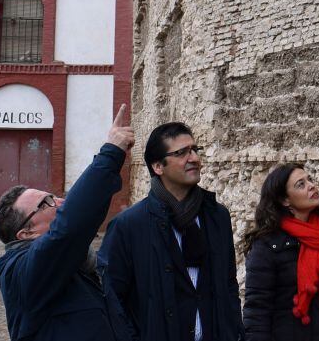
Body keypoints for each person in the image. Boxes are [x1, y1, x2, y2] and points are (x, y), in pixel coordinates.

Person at [0, 104, 135, 341]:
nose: (60, 201)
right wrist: (110, 153)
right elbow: (69, 228)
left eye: (53, 195)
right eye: (46, 202)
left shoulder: (80, 263)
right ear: (25, 233)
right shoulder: (21, 272)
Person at [98, 122, 243, 341]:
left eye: (195, 150)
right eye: (181, 153)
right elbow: (113, 301)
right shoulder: (128, 225)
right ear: (158, 166)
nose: (193, 158)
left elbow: (229, 285)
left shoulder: (217, 216)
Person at [242, 163, 319, 341]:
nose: (311, 185)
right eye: (300, 184)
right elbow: (257, 309)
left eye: (309, 179)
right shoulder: (267, 245)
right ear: (285, 200)